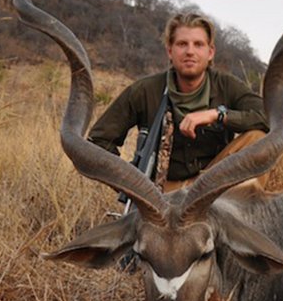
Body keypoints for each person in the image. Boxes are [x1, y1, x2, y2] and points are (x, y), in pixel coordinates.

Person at [88, 11, 269, 192]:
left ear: (210, 52)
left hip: (212, 185)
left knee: (259, 140)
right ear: (170, 51)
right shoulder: (144, 90)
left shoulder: (227, 85)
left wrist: (217, 115)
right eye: (182, 44)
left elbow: (269, 118)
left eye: (198, 44)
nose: (190, 51)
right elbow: (98, 142)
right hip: (161, 192)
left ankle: (237, 215)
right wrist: (130, 182)